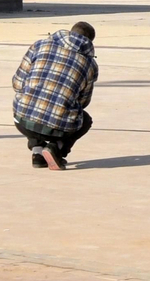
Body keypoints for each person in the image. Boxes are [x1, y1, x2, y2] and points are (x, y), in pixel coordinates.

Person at [12, 21, 99, 170]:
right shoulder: (90, 64)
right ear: (89, 41)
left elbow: (17, 83)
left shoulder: (39, 45)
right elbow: (83, 101)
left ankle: (38, 154)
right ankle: (56, 148)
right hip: (59, 126)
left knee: (31, 104)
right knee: (85, 120)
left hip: (22, 121)